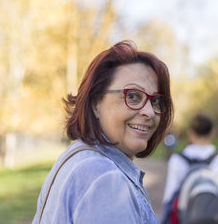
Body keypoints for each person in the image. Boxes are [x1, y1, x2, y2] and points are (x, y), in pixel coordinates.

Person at [33, 40, 174, 224]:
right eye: (132, 96)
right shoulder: (105, 179)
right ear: (95, 103)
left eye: (155, 101)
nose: (149, 112)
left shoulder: (77, 159)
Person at [161, 113, 218, 224]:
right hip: (217, 217)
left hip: (186, 217)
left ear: (190, 133)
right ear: (213, 132)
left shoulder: (177, 160)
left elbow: (169, 195)